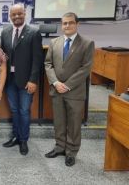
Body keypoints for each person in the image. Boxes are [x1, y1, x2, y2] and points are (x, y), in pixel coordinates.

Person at [44, 12, 94, 167]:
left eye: (70, 23)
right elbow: (48, 64)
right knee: (59, 121)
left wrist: (67, 85)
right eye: (64, 23)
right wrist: (56, 83)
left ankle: (71, 152)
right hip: (57, 89)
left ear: (77, 24)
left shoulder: (87, 43)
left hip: (74, 91)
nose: (67, 26)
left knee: (73, 124)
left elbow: (85, 68)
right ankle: (59, 147)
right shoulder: (54, 42)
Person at [0, 3, 43, 155]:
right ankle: (15, 137)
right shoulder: (5, 32)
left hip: (26, 81)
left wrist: (33, 80)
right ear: (10, 16)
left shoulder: (34, 32)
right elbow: (3, 57)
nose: (17, 16)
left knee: (24, 111)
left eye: (19, 13)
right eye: (14, 14)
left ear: (25, 14)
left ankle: (23, 140)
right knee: (14, 110)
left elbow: (37, 60)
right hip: (10, 80)